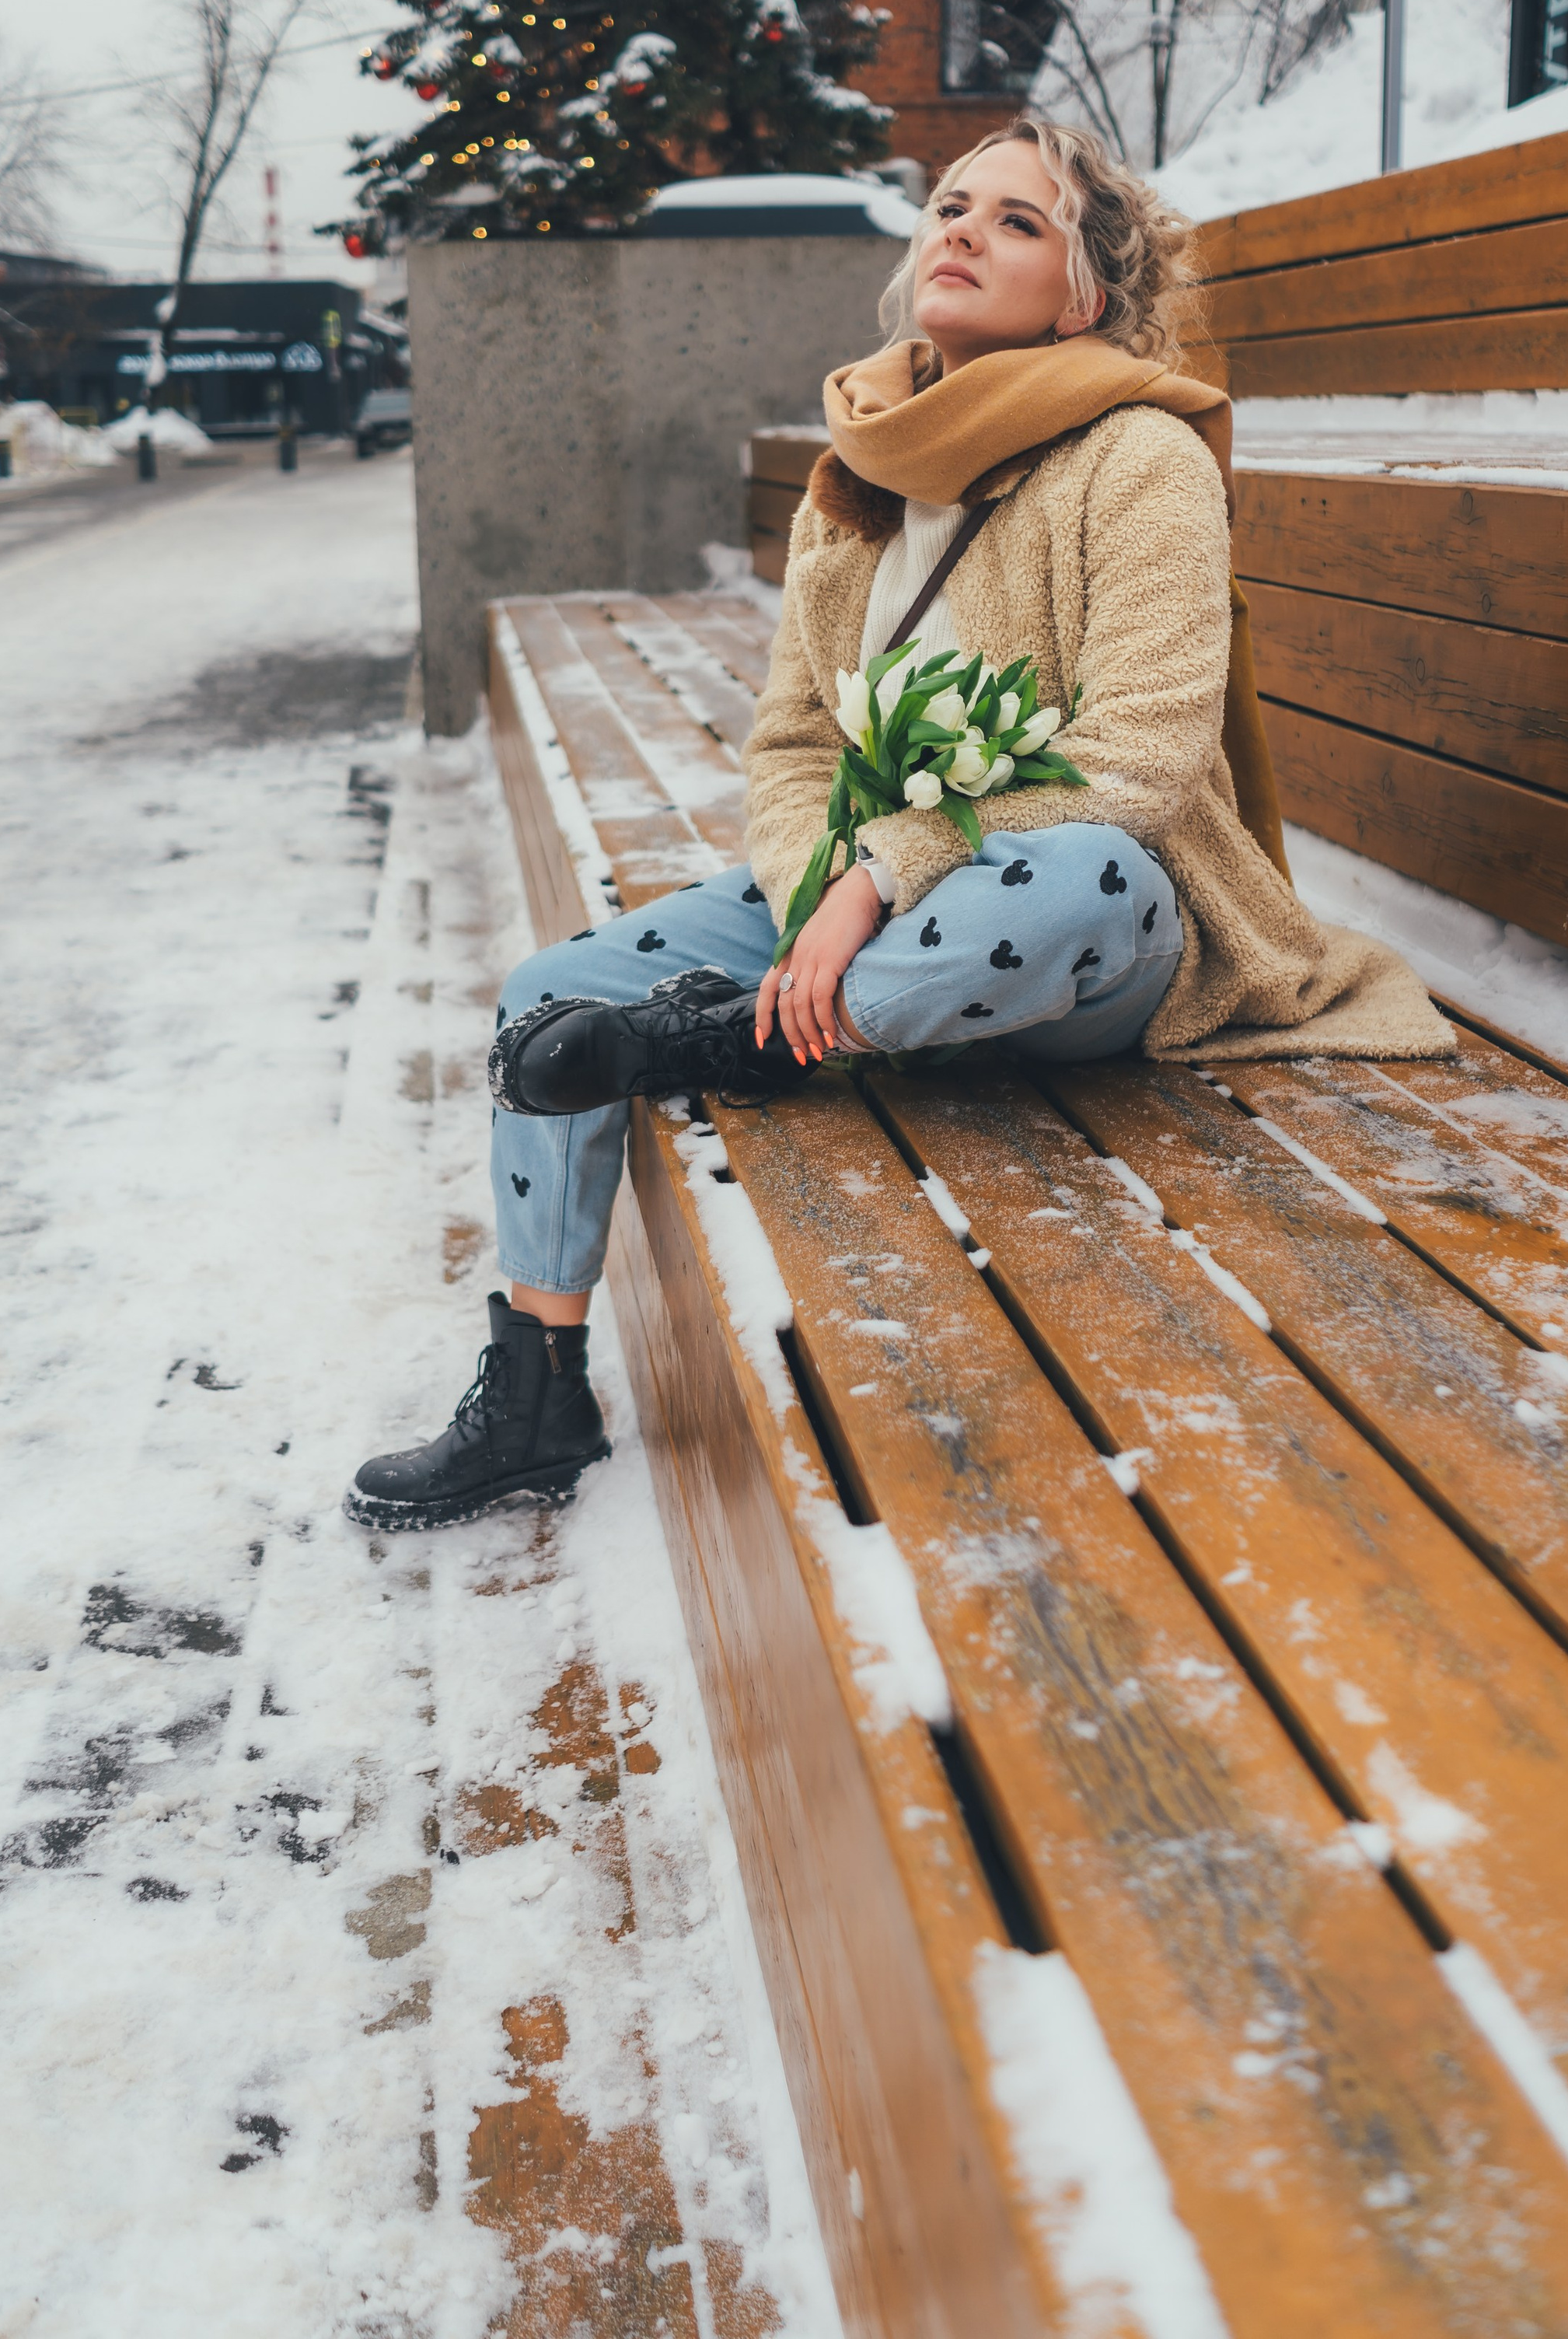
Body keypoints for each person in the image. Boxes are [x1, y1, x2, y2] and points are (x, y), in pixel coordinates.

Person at [344, 116, 1448, 1531]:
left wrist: (886, 871)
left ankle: (742, 1036)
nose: (963, 231)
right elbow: (797, 739)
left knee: (1083, 876)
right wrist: (820, 889)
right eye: (949, 204)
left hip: (1084, 928)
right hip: (869, 915)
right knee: (548, 994)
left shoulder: (1141, 458)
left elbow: (1144, 769)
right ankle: (537, 1388)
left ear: (1086, 294)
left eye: (1017, 221)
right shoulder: (861, 469)